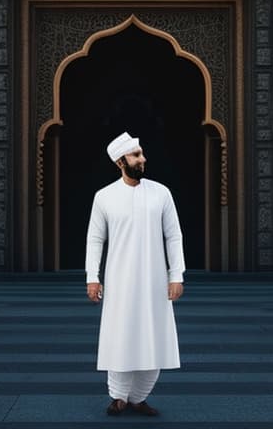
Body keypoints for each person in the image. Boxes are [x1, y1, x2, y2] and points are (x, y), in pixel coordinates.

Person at [85, 131, 186, 417]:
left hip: (155, 281)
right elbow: (95, 239)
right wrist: (92, 276)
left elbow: (173, 237)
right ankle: (118, 397)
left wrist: (176, 274)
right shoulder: (104, 197)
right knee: (120, 337)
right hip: (119, 281)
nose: (143, 158)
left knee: (153, 337)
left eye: (141, 153)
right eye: (136, 154)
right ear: (120, 161)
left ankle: (139, 397)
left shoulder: (161, 193)